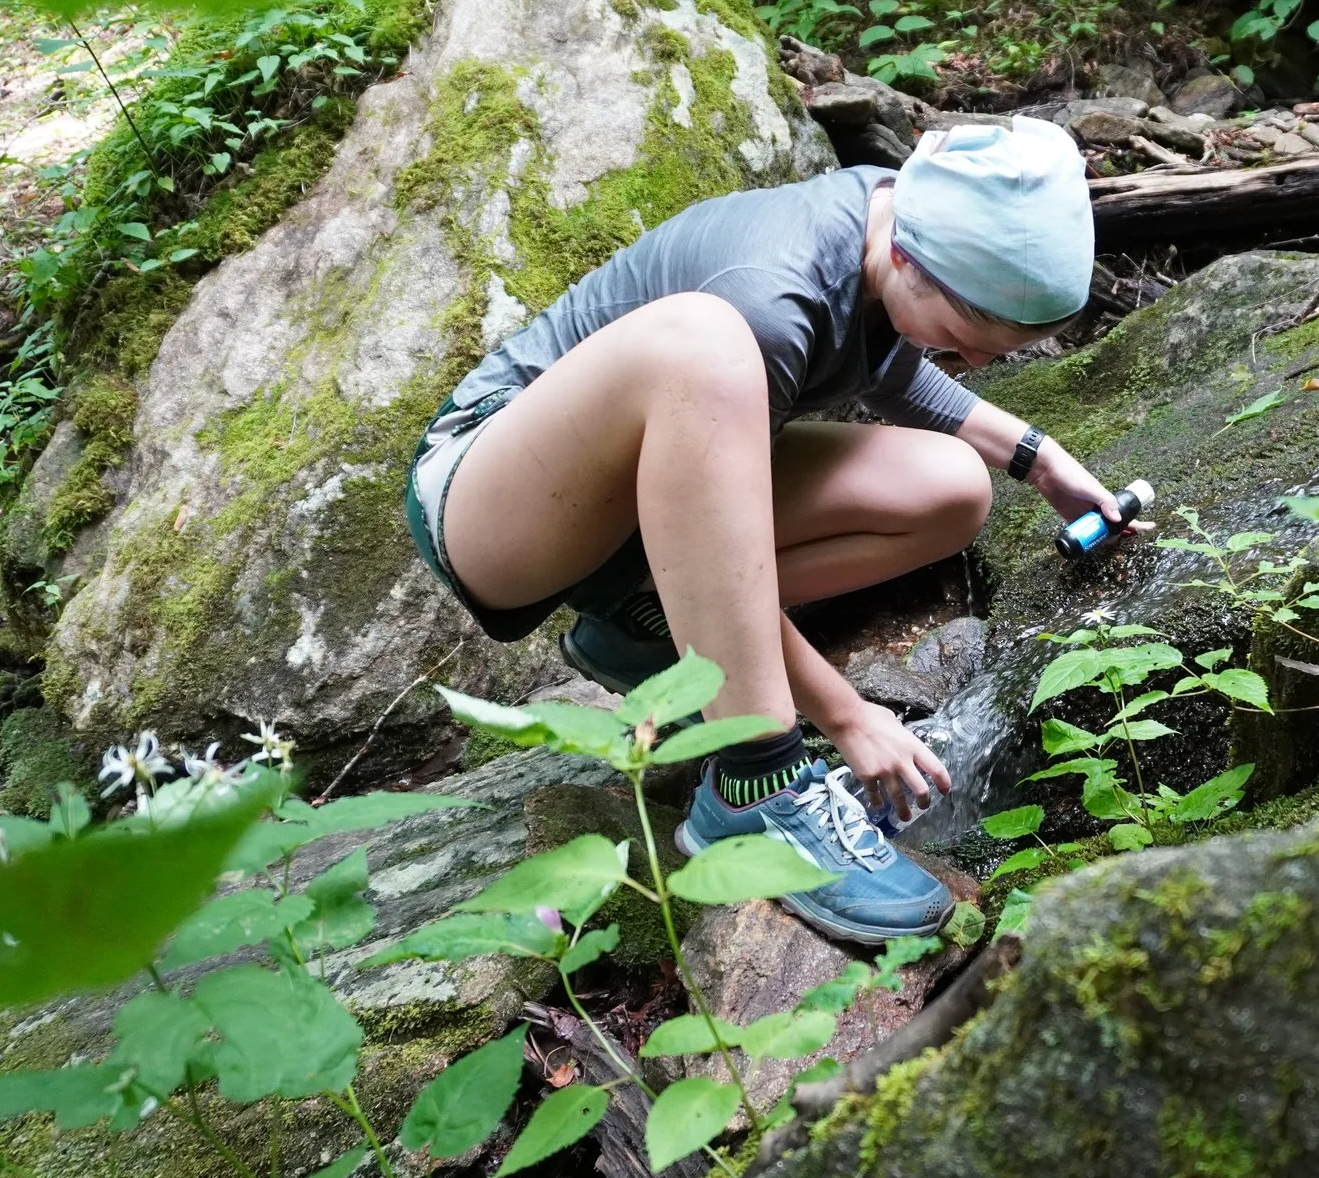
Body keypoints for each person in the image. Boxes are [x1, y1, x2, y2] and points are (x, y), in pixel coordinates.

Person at [403, 117, 1132, 945]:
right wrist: (848, 714)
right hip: (489, 502)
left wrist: (1039, 460)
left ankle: (640, 635)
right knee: (708, 349)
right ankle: (755, 785)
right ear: (908, 258)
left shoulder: (886, 213)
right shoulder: (764, 300)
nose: (971, 364)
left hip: (626, 523)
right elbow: (689, 540)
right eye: (963, 346)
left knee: (953, 489)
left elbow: (886, 360)